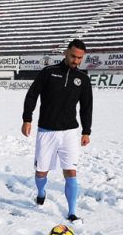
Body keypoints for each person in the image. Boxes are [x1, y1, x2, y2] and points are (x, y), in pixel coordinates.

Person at [22, 39, 93, 222]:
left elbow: (86, 107)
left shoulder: (83, 80)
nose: (76, 61)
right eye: (73, 56)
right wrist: (27, 119)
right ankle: (40, 191)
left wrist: (87, 131)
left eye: (79, 58)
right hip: (46, 131)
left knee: (70, 172)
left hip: (70, 133)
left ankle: (72, 212)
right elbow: (32, 95)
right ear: (65, 53)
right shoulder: (48, 72)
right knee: (41, 173)